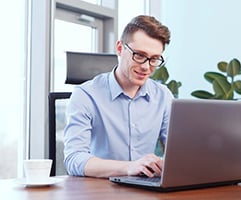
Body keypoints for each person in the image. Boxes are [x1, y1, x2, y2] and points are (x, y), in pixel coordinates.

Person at [63, 15, 173, 178]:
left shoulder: (163, 96)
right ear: (120, 48)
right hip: (100, 190)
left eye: (154, 59)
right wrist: (130, 167)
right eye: (139, 55)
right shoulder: (86, 95)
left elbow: (180, 151)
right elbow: (74, 159)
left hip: (146, 190)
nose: (146, 67)